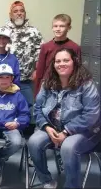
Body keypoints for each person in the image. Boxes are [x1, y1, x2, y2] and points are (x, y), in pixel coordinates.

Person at [28, 48, 101, 189]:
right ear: (53, 64)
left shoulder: (86, 85)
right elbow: (37, 108)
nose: (61, 64)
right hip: (54, 128)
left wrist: (67, 131)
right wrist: (46, 127)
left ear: (74, 62)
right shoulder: (47, 83)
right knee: (33, 142)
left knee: (68, 147)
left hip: (85, 131)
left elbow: (92, 115)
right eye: (58, 61)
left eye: (66, 60)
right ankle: (46, 180)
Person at [3, 1, 43, 121]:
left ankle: (28, 134)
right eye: (16, 11)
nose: (19, 13)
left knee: (29, 106)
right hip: (8, 79)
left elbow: (40, 51)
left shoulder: (34, 32)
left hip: (27, 79)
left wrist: (37, 70)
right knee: (9, 107)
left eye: (22, 11)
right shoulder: (4, 31)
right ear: (10, 15)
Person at [35, 14, 81, 96]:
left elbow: (78, 71)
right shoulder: (45, 47)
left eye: (62, 26)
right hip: (48, 87)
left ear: (68, 28)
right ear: (52, 27)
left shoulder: (75, 47)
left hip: (68, 87)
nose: (58, 29)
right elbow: (40, 72)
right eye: (55, 26)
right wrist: (37, 93)